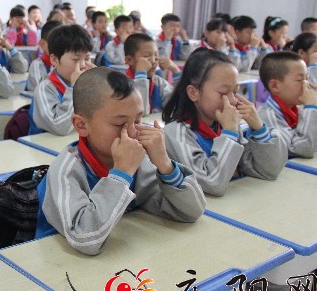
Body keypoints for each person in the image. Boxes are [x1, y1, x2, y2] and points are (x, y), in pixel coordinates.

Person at [35, 67, 206, 255]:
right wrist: (122, 174)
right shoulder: (65, 171)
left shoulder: (140, 161)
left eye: (138, 120)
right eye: (120, 124)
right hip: (61, 264)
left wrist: (165, 164)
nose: (132, 132)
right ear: (82, 125)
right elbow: (85, 239)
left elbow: (192, 211)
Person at [162, 48, 287, 196]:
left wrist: (259, 128)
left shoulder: (225, 125)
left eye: (235, 92)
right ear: (193, 92)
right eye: (223, 93)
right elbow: (212, 183)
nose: (233, 100)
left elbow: (269, 171)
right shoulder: (176, 133)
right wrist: (229, 134)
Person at [258, 51, 317, 158]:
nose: (307, 85)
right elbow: (302, 150)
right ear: (274, 86)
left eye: (307, 79)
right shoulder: (267, 116)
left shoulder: (298, 108)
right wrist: (311, 107)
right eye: (300, 80)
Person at [29, 24, 95, 135]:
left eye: (87, 58)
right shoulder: (45, 89)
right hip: (45, 144)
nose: (83, 65)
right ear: (55, 60)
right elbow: (60, 127)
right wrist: (75, 88)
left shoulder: (87, 85)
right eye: (76, 59)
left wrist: (100, 83)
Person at [123, 33, 180, 115]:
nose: (153, 61)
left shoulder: (159, 83)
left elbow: (178, 107)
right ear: (129, 60)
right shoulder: (122, 84)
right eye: (146, 56)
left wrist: (176, 72)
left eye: (156, 55)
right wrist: (141, 75)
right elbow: (140, 114)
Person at [26, 21, 62, 91]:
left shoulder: (69, 63)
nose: (61, 47)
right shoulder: (37, 65)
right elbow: (41, 90)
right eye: (56, 42)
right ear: (43, 44)